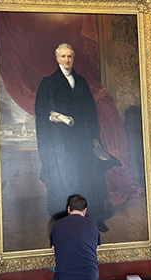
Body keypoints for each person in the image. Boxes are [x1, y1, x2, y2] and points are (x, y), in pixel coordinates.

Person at [35, 43, 119, 232]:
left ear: (73, 58)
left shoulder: (81, 81)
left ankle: (94, 218)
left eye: (69, 56)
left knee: (90, 178)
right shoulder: (48, 82)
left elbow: (91, 112)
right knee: (66, 178)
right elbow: (41, 111)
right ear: (57, 59)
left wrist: (95, 138)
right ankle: (65, 221)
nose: (66, 60)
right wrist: (52, 117)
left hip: (83, 140)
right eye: (63, 57)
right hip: (61, 144)